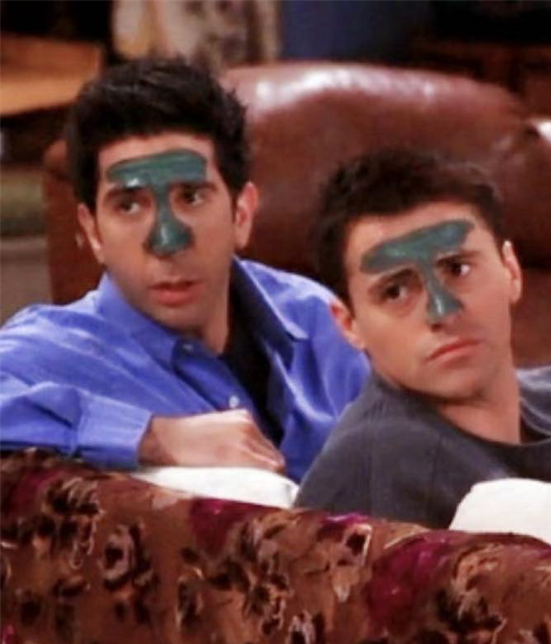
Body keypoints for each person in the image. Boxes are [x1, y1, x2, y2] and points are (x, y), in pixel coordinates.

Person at [0, 58, 368, 482]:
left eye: (191, 197)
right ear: (93, 232)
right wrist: (152, 436)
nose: (167, 241)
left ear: (242, 213)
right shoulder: (58, 352)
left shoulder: (319, 319)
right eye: (129, 205)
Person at [296, 148, 551, 529]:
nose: (442, 310)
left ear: (511, 270)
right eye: (396, 291)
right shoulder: (368, 473)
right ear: (349, 323)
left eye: (458, 268)